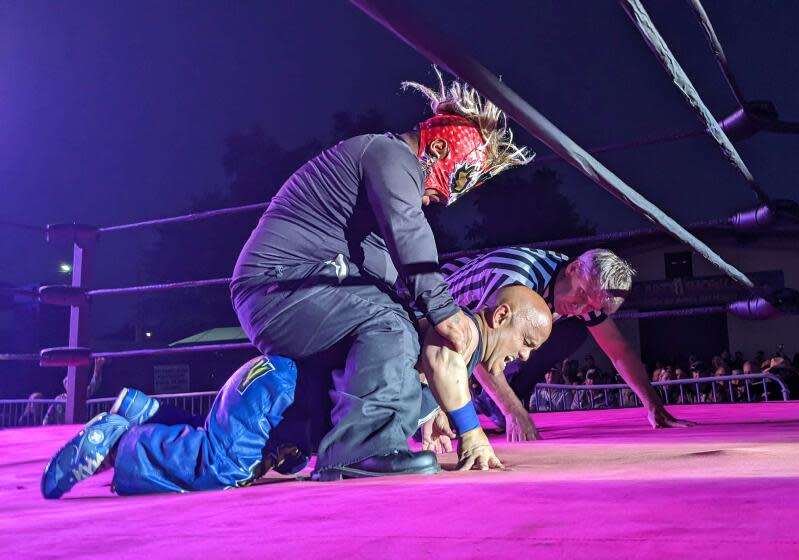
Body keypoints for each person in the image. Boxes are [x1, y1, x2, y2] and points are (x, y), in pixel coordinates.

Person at [40, 70, 534, 496]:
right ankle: (360, 450)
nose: (444, 199)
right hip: (281, 288)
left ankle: (143, 423)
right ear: (442, 149)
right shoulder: (389, 157)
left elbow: (400, 280)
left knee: (387, 331)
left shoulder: (375, 208)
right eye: (454, 181)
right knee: (390, 323)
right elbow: (412, 240)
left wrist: (432, 402)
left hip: (302, 294)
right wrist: (445, 312)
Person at [41, 285, 551, 498]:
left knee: (236, 458)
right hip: (276, 391)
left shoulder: (453, 350)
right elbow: (440, 360)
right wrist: (473, 435)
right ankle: (117, 444)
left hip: (283, 403)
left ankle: (144, 412)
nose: (525, 356)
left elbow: (403, 379)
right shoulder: (458, 330)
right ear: (499, 315)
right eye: (526, 342)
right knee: (221, 469)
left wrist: (426, 418)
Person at [441, 247, 695, 441]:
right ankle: (490, 398)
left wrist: (653, 405)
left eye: (590, 305)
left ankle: (502, 394)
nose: (579, 307)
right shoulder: (519, 281)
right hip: (430, 322)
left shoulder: (581, 290)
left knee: (573, 330)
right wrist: (513, 412)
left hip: (466, 336)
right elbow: (478, 344)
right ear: (573, 268)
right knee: (429, 423)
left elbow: (618, 350)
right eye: (581, 295)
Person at [42, 357, 105, 425]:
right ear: (65, 385)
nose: (70, 385)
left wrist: (97, 368)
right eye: (68, 383)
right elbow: (49, 415)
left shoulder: (79, 394)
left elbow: (94, 385)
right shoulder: (59, 399)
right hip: (61, 429)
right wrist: (45, 426)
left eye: (72, 382)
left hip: (76, 427)